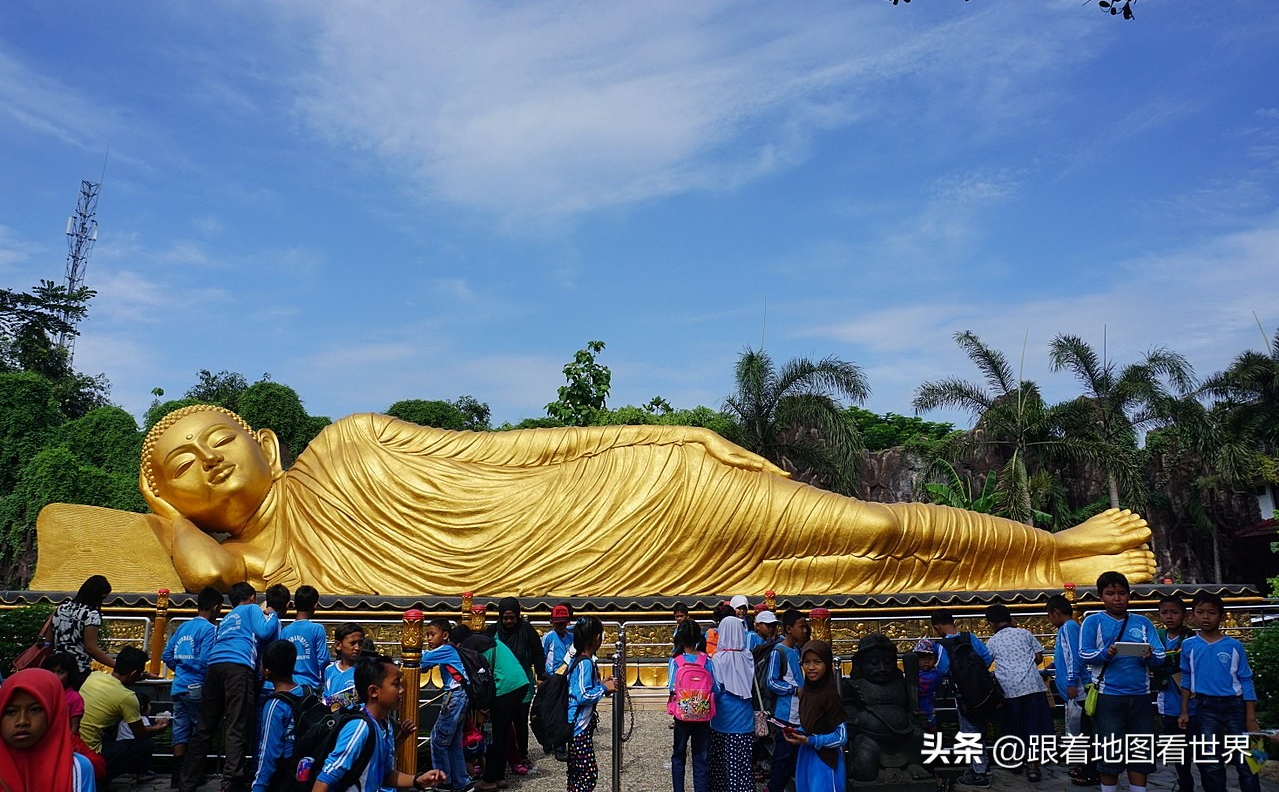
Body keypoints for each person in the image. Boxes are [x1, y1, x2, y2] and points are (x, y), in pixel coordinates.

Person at [38, 406, 1158, 597]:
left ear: (262, 438)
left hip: (628, 490)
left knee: (868, 525)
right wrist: (162, 518)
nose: (207, 462)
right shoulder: (268, 569)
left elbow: (515, 449)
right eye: (177, 463)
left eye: (217, 438)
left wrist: (656, 434)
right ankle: (1042, 567)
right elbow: (194, 572)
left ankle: (1057, 547)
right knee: (834, 571)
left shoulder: (352, 443)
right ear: (161, 492)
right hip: (601, 571)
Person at [179, 582, 286, 792]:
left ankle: (187, 781)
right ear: (252, 597)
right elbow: (264, 632)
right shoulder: (252, 609)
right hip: (238, 668)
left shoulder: (227, 618)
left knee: (204, 727)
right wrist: (272, 612)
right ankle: (231, 782)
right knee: (236, 724)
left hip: (214, 667)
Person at [1079, 571, 1165, 792]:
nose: (1117, 598)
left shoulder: (1143, 623)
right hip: (1109, 696)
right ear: (1101, 596)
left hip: (1141, 696)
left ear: (1129, 595)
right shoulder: (1093, 621)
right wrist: (1106, 653)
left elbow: (1161, 656)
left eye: (1121, 593)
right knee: (1110, 752)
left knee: (1140, 751)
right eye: (1110, 593)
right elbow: (1085, 653)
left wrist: (1150, 656)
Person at [312, 655, 446, 791]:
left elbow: (384, 775)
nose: (402, 690)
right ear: (373, 691)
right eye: (396, 684)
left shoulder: (382, 724)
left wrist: (417, 780)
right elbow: (325, 778)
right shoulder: (359, 728)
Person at [1179, 591, 1259, 792]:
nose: (1206, 617)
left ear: (1222, 616)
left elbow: (1246, 679)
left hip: (1235, 706)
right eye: (1201, 612)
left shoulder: (1234, 645)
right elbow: (1186, 678)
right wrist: (1184, 710)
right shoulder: (1189, 645)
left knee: (1247, 759)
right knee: (1211, 760)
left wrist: (1251, 717)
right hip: (1205, 707)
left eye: (1212, 613)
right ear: (1192, 615)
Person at [454, 624, 531, 792]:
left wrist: (481, 703)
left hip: (505, 687)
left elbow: (475, 677)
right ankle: (499, 776)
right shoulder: (487, 640)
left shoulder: (467, 647)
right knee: (502, 732)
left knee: (495, 735)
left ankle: (489, 779)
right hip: (520, 683)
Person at [79, 646, 170, 783]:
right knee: (146, 744)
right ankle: (102, 779)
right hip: (93, 753)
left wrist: (140, 674)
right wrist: (159, 728)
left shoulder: (94, 676)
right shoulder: (127, 697)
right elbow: (140, 734)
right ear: (133, 674)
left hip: (75, 745)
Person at [983, 604, 1052, 782]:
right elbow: (1038, 657)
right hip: (1032, 686)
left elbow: (985, 662)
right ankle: (1033, 766)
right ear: (1010, 618)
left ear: (991, 623)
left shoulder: (992, 641)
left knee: (1013, 726)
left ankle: (1015, 760)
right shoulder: (1025, 634)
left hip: (1009, 690)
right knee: (1034, 726)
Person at [162, 584, 222, 787]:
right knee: (200, 730)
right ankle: (194, 773)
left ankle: (177, 774)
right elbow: (206, 661)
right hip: (197, 688)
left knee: (180, 728)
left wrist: (180, 668)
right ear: (215, 607)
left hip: (178, 686)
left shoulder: (184, 626)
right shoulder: (210, 630)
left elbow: (167, 655)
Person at [0, 668, 96, 792]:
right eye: (11, 712)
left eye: (35, 710)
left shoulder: (76, 769)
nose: (22, 721)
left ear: (54, 713)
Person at [931, 609, 994, 788]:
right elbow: (987, 657)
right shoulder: (970, 637)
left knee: (969, 732)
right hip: (983, 691)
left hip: (963, 694)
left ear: (937, 627)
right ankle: (982, 766)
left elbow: (943, 670)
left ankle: (980, 773)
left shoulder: (943, 645)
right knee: (980, 729)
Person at [486, 597, 546, 776]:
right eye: (505, 618)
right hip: (500, 684)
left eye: (512, 617)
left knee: (520, 720)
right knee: (502, 723)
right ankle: (502, 757)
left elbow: (537, 652)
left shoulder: (526, 629)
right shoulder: (492, 631)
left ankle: (521, 754)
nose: (509, 621)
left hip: (522, 683)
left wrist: (541, 675)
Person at [781, 640, 847, 792]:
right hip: (806, 756)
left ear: (827, 664)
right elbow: (810, 724)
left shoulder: (830, 696)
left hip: (825, 761)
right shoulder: (807, 692)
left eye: (817, 662)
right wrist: (797, 732)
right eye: (806, 662)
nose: (811, 668)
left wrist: (812, 740)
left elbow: (841, 737)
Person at [1045, 594, 1097, 787]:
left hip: (1078, 689)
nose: (1050, 621)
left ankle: (1091, 769)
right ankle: (1083, 765)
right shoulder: (1067, 629)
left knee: (1085, 730)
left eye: (1050, 616)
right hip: (1071, 689)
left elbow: (1074, 657)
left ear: (1056, 613)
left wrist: (1072, 682)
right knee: (1079, 729)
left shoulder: (1068, 628)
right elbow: (1064, 658)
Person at [567, 616, 616, 792]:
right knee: (587, 774)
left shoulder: (580, 660)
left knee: (577, 773)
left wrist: (602, 684)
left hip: (578, 726)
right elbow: (583, 695)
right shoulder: (585, 663)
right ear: (596, 638)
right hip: (578, 727)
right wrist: (603, 690)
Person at [423, 618, 472, 792]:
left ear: (444, 635)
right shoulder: (449, 650)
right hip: (460, 696)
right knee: (452, 742)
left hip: (455, 697)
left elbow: (420, 660)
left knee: (438, 739)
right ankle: (462, 782)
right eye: (427, 635)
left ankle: (444, 780)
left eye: (432, 634)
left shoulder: (445, 649)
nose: (428, 638)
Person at [252, 639, 305, 792]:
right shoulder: (306, 692)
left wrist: (258, 787)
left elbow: (269, 751)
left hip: (284, 773)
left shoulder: (275, 705)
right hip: (304, 770)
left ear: (267, 671)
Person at [709, 616, 755, 792]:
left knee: (721, 769)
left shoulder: (718, 659)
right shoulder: (748, 656)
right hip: (745, 722)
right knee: (742, 769)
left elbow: (717, 689)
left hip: (722, 721)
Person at [42, 652, 104, 781]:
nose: (56, 676)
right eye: (52, 671)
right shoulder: (43, 693)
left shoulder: (74, 698)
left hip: (65, 743)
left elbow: (73, 729)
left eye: (61, 672)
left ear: (69, 674)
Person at [1156, 594, 1196, 792]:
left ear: (1185, 615)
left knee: (1191, 743)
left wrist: (1157, 660)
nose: (1169, 617)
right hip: (1168, 699)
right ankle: (1183, 780)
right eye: (1164, 613)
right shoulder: (1158, 636)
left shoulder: (1190, 638)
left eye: (1174, 612)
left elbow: (1177, 661)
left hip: (1191, 701)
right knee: (1175, 744)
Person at [669, 620, 714, 792]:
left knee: (679, 755)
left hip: (682, 714)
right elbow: (714, 686)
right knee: (701, 756)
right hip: (702, 714)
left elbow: (671, 687)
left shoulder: (676, 661)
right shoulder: (706, 660)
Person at [766, 608, 807, 792]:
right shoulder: (778, 651)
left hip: (800, 712)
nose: (804, 630)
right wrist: (793, 690)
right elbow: (771, 681)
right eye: (801, 626)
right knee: (782, 756)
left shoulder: (797, 650)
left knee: (796, 757)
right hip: (785, 713)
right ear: (789, 629)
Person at [50, 575, 115, 676]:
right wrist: (116, 665)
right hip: (78, 668)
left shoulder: (61, 608)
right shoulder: (91, 615)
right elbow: (90, 648)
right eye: (103, 598)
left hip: (56, 667)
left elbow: (49, 640)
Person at [282, 584, 330, 691]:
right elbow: (323, 660)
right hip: (311, 685)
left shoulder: (285, 631)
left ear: (294, 604)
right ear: (315, 605)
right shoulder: (317, 629)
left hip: (289, 686)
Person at [324, 623, 365, 711]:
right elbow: (327, 698)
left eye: (360, 643)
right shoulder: (329, 670)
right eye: (352, 643)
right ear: (338, 645)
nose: (357, 648)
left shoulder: (365, 670)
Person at [912, 640, 941, 732]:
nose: (927, 661)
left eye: (930, 658)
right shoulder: (916, 673)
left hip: (927, 715)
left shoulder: (933, 676)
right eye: (923, 658)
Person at [543, 604, 575, 675]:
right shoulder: (548, 637)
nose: (561, 626)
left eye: (563, 623)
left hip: (568, 674)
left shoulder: (572, 637)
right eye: (558, 624)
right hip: (552, 675)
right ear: (551, 622)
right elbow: (543, 657)